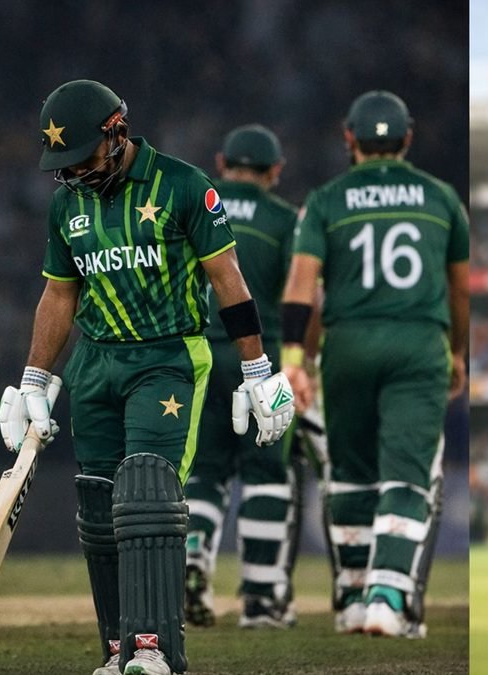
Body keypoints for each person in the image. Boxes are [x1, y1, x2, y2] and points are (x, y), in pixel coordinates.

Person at [0, 80, 295, 675]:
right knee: (99, 503)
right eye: (65, 165)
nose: (75, 173)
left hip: (167, 359)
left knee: (148, 492)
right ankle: (117, 648)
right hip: (95, 363)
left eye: (82, 158)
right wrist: (34, 379)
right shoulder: (67, 205)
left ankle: (155, 649)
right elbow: (59, 295)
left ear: (117, 133)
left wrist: (257, 369)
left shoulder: (185, 187)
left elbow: (229, 280)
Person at [280, 90, 470, 638]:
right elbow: (460, 291)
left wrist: (296, 358)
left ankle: (353, 597)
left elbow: (302, 288)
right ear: (407, 139)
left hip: (347, 347)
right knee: (407, 471)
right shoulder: (440, 198)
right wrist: (457, 350)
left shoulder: (326, 200)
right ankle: (389, 594)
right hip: (418, 348)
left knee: (352, 476)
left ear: (349, 139)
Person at [183, 124, 305, 630]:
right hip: (264, 359)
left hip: (199, 359)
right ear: (275, 171)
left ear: (220, 161)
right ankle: (260, 598)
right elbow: (303, 292)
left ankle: (191, 561)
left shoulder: (194, 206)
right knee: (266, 476)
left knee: (205, 473)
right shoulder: (286, 219)